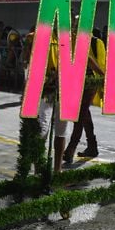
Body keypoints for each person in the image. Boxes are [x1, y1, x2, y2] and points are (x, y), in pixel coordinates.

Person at [63, 17, 106, 162]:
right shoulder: (72, 40)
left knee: (80, 114)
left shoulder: (95, 42)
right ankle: (92, 146)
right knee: (84, 113)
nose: (75, 27)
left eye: (77, 24)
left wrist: (103, 77)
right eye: (74, 24)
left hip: (90, 82)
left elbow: (95, 62)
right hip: (76, 81)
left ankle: (71, 147)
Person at [37, 29, 69, 173]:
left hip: (65, 90)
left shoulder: (73, 39)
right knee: (42, 129)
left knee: (61, 131)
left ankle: (57, 169)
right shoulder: (42, 37)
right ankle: (39, 168)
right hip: (47, 90)